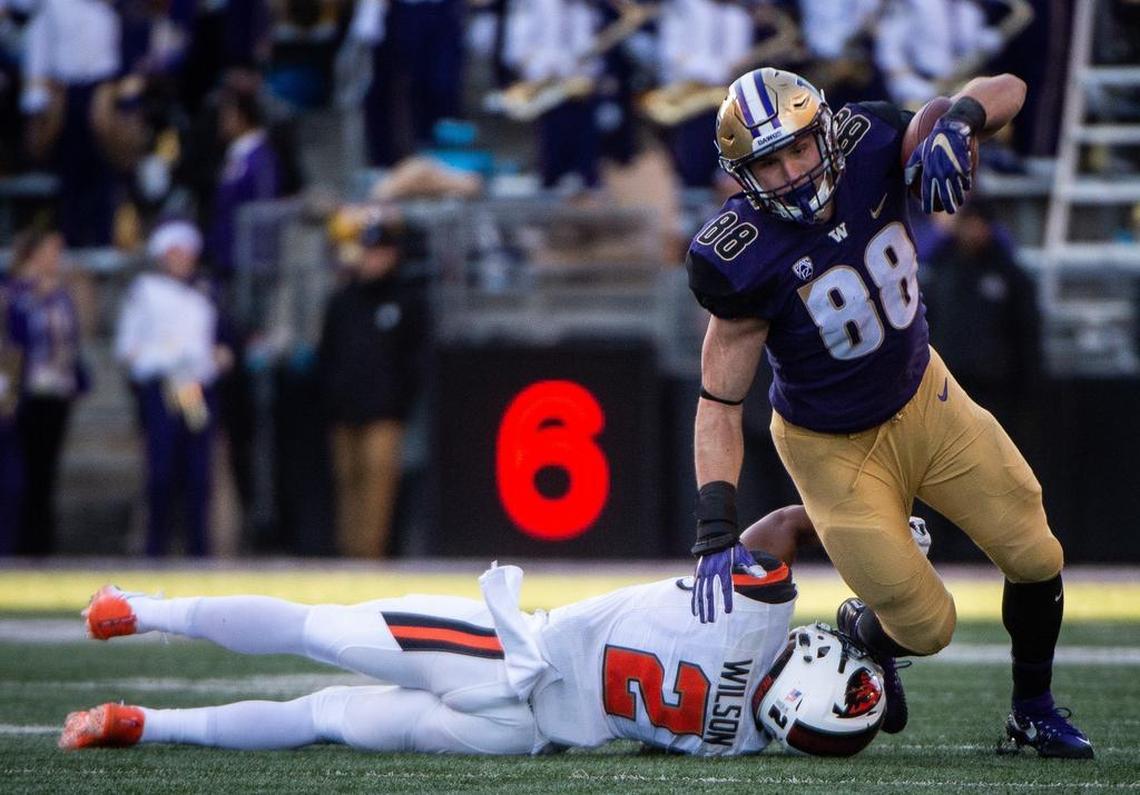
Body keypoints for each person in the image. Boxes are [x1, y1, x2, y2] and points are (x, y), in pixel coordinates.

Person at [684, 66, 1093, 759]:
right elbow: (720, 401)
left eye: (798, 148)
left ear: (825, 133)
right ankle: (863, 627)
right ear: (742, 174)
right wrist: (716, 519)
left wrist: (959, 120)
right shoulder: (740, 256)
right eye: (768, 162)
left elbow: (1012, 87)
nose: (789, 172)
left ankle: (1033, 710)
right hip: (830, 446)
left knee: (1035, 550)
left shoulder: (871, 141)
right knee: (928, 625)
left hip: (925, 395)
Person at [59, 505, 932, 756]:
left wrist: (874, 535)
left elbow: (783, 525)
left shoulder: (761, 608)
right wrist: (877, 673)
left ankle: (140, 610)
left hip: (515, 654)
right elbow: (846, 712)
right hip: (522, 734)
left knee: (315, 627)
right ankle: (146, 726)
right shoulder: (742, 743)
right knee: (325, 712)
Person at [115, 220, 230, 556]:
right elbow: (128, 347)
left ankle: (199, 549)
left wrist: (219, 355)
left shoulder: (206, 293)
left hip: (194, 387)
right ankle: (156, 548)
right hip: (162, 386)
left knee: (198, 471)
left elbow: (220, 342)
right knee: (161, 470)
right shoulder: (145, 291)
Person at [317, 220, 429, 558]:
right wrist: (332, 395)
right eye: (368, 253)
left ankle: (370, 558)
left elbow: (415, 360)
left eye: (380, 253)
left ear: (393, 256)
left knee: (378, 487)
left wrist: (399, 400)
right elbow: (328, 354)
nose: (373, 261)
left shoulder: (406, 301)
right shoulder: (343, 301)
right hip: (344, 410)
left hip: (384, 412)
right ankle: (348, 555)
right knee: (345, 485)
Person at [7, 227, 89, 555]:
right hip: (22, 395)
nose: (58, 259)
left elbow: (70, 342)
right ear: (34, 254)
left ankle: (40, 549)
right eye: (52, 251)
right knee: (18, 475)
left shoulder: (62, 295)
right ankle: (17, 546)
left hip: (56, 393)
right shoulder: (13, 294)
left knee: (45, 474)